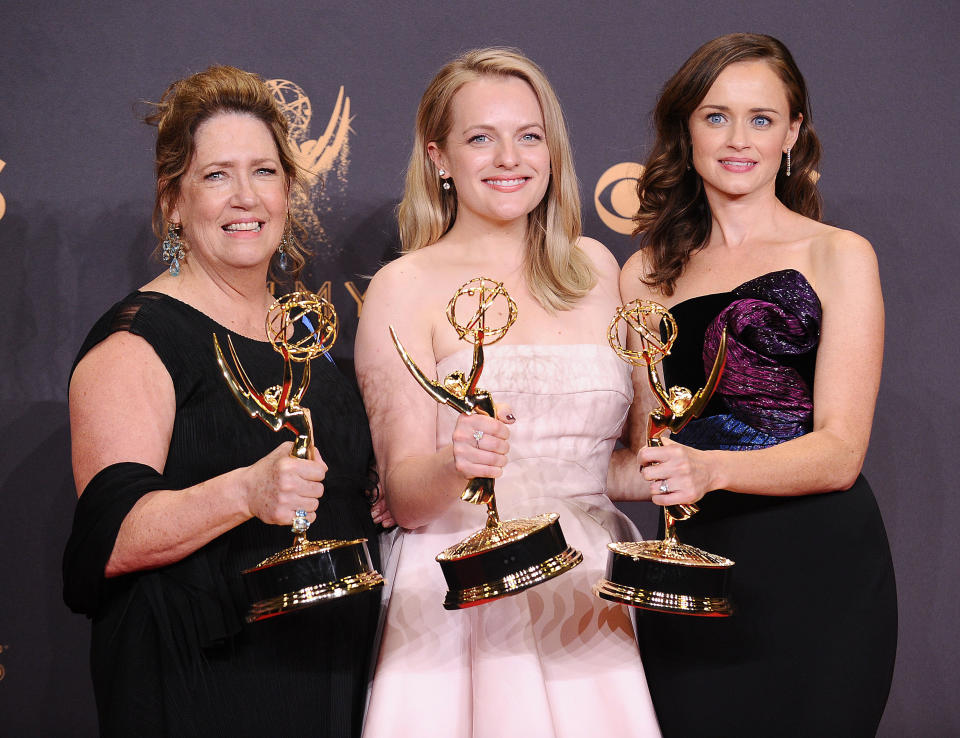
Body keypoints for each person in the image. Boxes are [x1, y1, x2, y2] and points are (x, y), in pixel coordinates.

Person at [63, 66, 381, 737]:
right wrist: (244, 491)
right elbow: (105, 542)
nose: (245, 197)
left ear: (289, 191)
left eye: (264, 172)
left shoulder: (304, 336)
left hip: (328, 677)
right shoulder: (137, 340)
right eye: (216, 176)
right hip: (200, 686)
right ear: (173, 201)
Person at [354, 48, 660, 738]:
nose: (508, 158)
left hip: (587, 588)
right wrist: (457, 461)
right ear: (439, 157)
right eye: (479, 138)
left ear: (552, 150)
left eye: (528, 135)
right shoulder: (404, 286)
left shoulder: (596, 268)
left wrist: (691, 468)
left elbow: (606, 462)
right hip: (465, 590)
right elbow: (404, 495)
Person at [610, 33, 897, 737]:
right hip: (693, 570)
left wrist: (711, 467)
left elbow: (840, 452)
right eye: (715, 116)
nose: (738, 139)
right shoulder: (643, 274)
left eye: (761, 119)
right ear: (686, 128)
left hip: (822, 569)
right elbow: (648, 449)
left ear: (793, 132)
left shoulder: (840, 255)